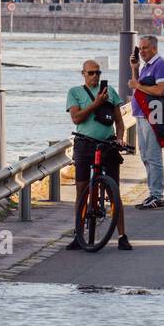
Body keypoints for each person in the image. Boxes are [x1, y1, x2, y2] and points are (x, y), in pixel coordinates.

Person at [65, 60, 132, 251]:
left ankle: (122, 236)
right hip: (84, 144)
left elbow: (119, 122)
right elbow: (76, 118)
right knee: (81, 189)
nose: (95, 76)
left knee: (114, 191)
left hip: (107, 144)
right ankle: (79, 234)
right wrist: (96, 103)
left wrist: (119, 138)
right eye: (91, 73)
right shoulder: (74, 93)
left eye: (98, 73)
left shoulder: (109, 91)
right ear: (83, 74)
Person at [128, 35, 164, 209]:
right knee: (145, 156)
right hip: (141, 114)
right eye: (140, 48)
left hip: (152, 115)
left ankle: (158, 196)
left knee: (153, 156)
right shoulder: (146, 66)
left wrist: (137, 86)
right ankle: (152, 192)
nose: (142, 51)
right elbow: (138, 84)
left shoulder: (160, 64)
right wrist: (134, 68)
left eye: (145, 48)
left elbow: (161, 90)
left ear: (154, 48)